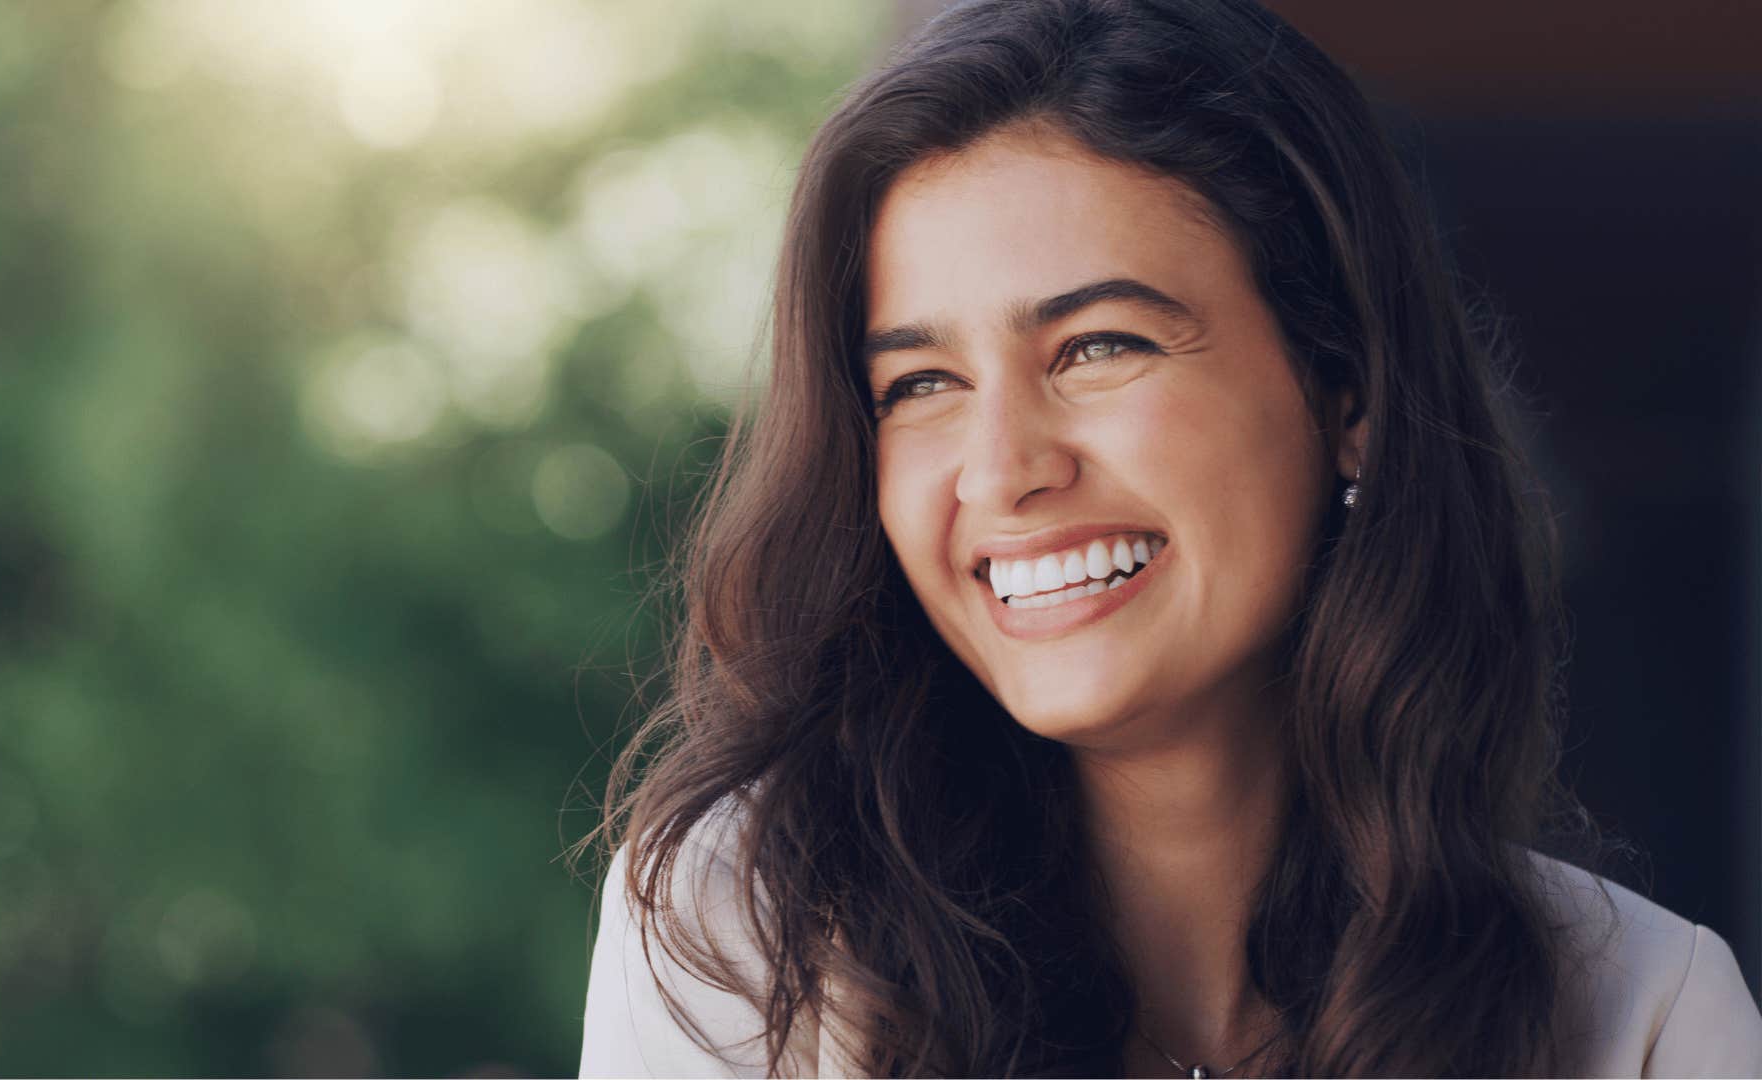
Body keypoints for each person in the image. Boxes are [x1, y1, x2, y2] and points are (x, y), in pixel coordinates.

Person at [574, 0, 1762, 1075]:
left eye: (1099, 346)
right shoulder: (744, 940)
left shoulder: (1645, 1017)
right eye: (921, 383)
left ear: (1347, 399)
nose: (1003, 470)